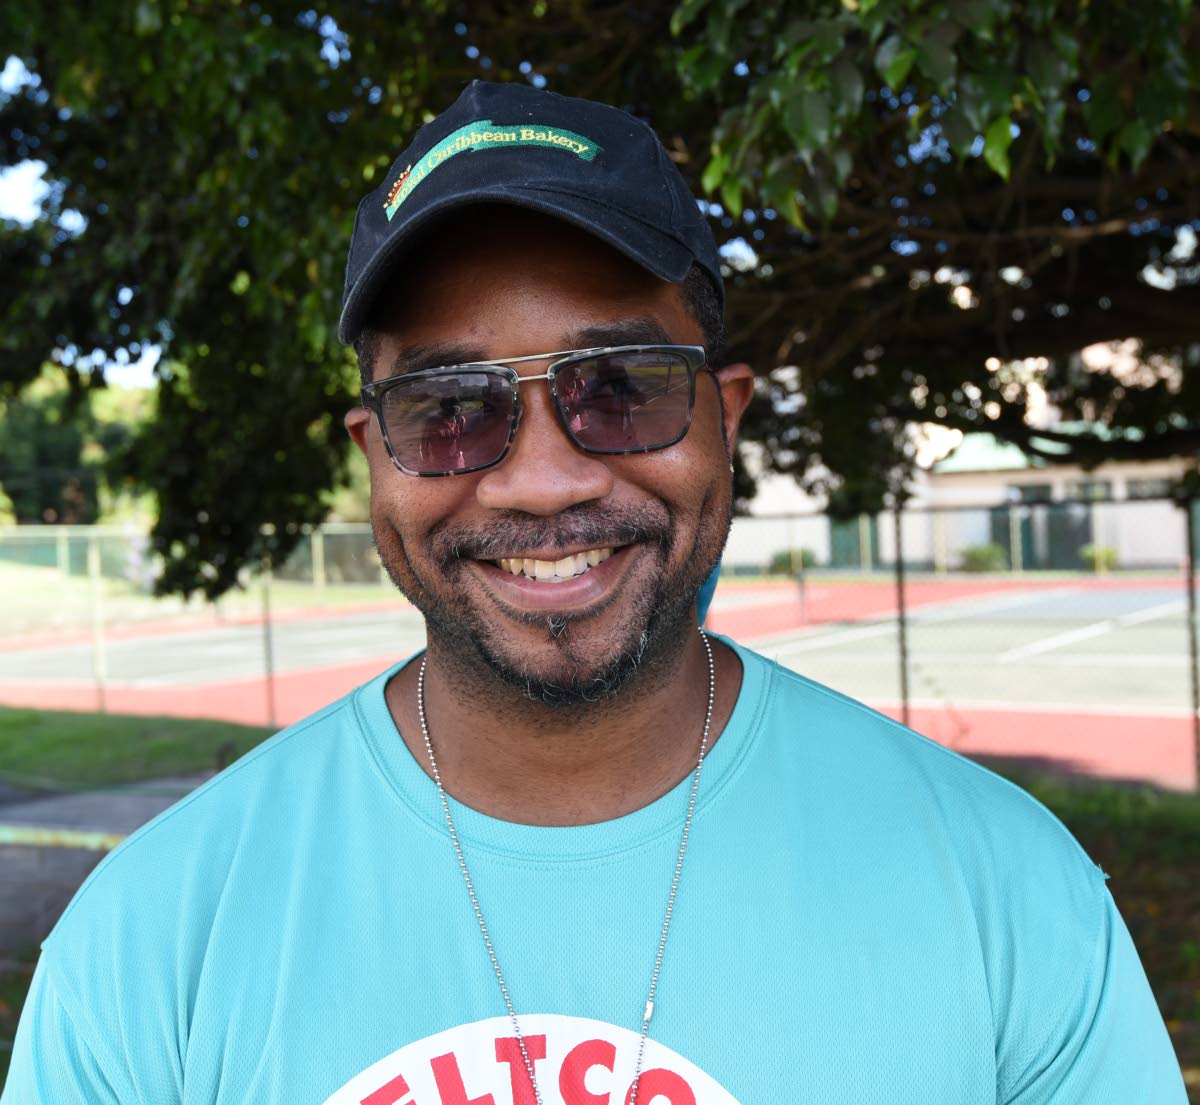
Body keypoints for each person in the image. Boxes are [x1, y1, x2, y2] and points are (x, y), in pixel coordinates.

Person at [3, 82, 1186, 1105]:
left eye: (620, 385)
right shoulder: (149, 939)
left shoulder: (1010, 896)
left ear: (728, 417)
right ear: (376, 453)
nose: (543, 478)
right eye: (452, 408)